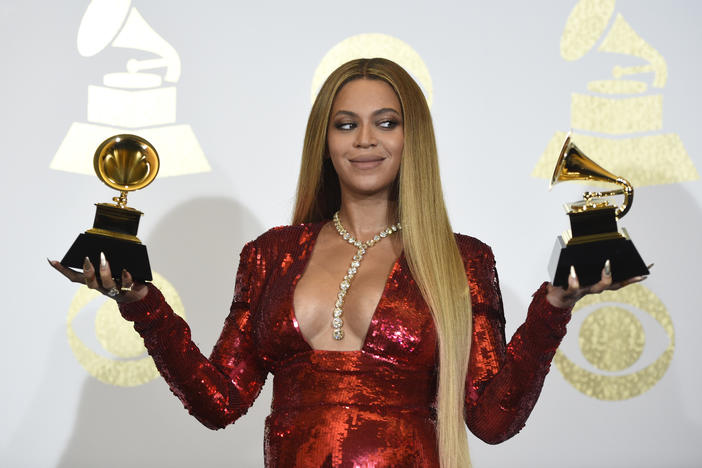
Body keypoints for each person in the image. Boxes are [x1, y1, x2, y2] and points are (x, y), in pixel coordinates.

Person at [50, 58, 643, 468]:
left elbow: (491, 419)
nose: (365, 140)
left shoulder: (461, 260)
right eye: (346, 124)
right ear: (325, 139)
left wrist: (554, 309)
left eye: (386, 122)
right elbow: (219, 401)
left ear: (413, 138)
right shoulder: (271, 255)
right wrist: (142, 306)